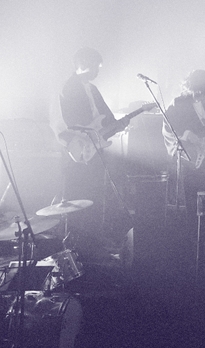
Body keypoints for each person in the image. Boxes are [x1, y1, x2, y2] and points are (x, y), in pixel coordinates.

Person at [52, 47, 128, 257]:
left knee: (95, 195)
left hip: (95, 149)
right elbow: (64, 124)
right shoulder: (67, 88)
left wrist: (119, 124)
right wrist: (79, 140)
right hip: (77, 151)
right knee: (78, 198)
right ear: (83, 64)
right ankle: (77, 244)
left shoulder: (93, 89)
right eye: (95, 66)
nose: (97, 71)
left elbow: (107, 119)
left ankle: (93, 242)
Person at [162, 70, 205, 233]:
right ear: (191, 86)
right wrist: (189, 136)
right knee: (193, 199)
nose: (201, 95)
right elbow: (170, 128)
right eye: (199, 90)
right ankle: (193, 234)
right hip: (190, 160)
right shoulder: (178, 103)